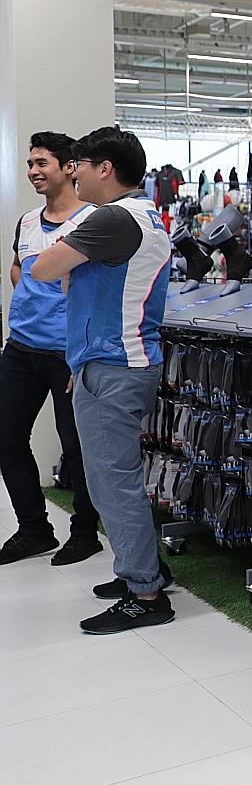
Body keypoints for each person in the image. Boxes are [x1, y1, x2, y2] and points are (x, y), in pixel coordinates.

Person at [32, 127, 175, 634]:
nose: (73, 175)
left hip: (115, 366)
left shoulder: (112, 218)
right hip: (115, 362)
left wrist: (59, 235)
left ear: (104, 169)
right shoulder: (144, 216)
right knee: (113, 480)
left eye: (79, 166)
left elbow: (45, 269)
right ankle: (144, 570)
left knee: (112, 484)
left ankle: (145, 592)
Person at [0, 132, 101, 566]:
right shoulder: (26, 221)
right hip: (21, 348)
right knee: (6, 438)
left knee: (75, 447)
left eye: (42, 162)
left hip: (68, 354)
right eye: (30, 163)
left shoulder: (93, 220)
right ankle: (34, 530)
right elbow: (18, 270)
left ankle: (84, 533)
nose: (33, 171)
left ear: (69, 168)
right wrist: (31, 303)